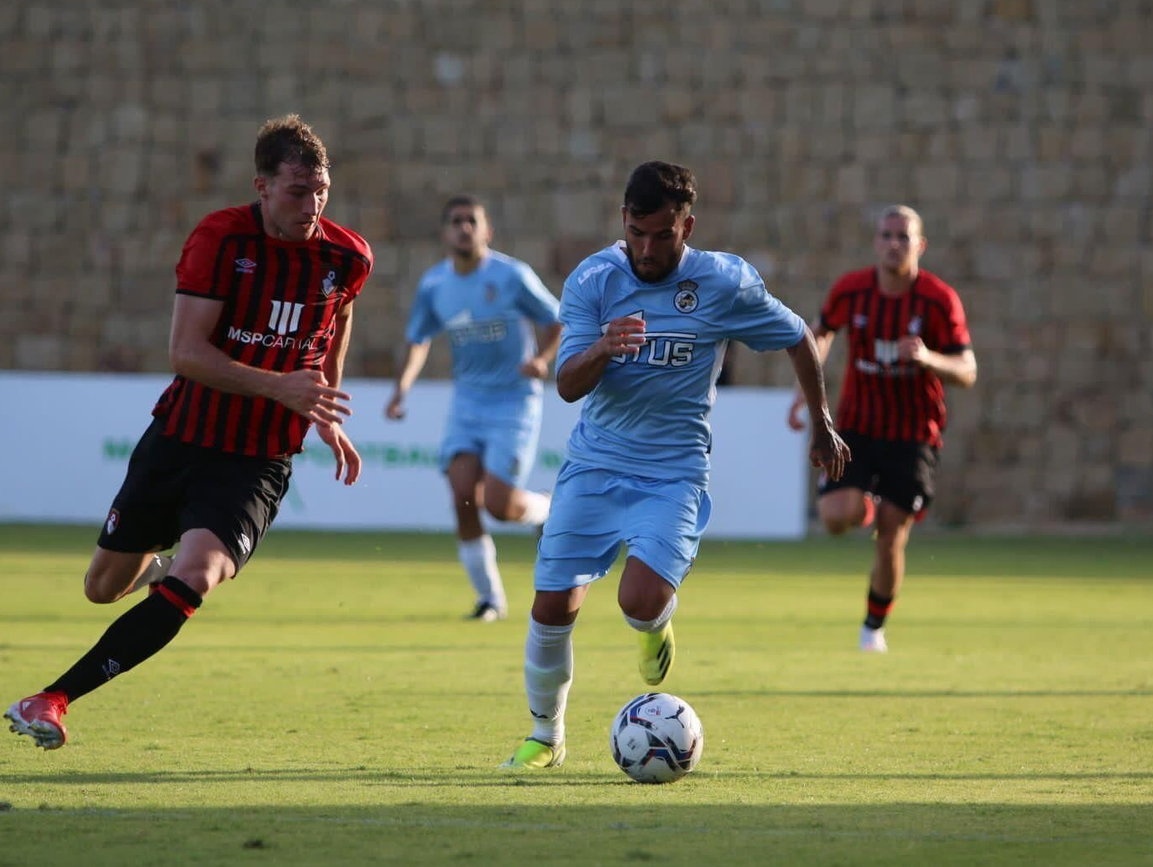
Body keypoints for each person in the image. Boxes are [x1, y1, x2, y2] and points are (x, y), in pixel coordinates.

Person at [4, 114, 372, 750]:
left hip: (257, 459)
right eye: (297, 191)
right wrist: (281, 386)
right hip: (182, 438)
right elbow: (187, 353)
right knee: (102, 588)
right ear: (262, 186)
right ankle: (158, 570)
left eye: (322, 191)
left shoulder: (347, 256)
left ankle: (53, 698)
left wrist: (321, 408)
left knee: (199, 575)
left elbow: (334, 328)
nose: (312, 206)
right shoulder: (220, 240)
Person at [500, 161, 850, 770]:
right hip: (594, 465)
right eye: (637, 233)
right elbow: (567, 385)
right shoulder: (594, 279)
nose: (647, 249)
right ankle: (545, 737)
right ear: (623, 220)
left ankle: (655, 624)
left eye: (662, 235)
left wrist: (821, 422)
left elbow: (797, 336)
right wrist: (605, 347)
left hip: (673, 472)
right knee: (552, 606)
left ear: (687, 226)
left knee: (638, 600)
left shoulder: (722, 282)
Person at [788, 205, 977, 653]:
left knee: (893, 533)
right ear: (876, 243)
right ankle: (865, 507)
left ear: (920, 245)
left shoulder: (938, 299)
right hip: (857, 426)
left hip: (914, 434)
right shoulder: (851, 290)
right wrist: (802, 394)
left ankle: (873, 627)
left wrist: (928, 358)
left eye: (903, 237)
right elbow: (821, 333)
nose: (894, 244)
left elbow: (967, 370)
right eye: (887, 236)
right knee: (836, 517)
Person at [385, 195, 563, 621]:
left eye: (471, 221)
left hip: (514, 401)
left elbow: (556, 318)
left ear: (487, 231)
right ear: (444, 232)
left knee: (499, 505)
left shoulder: (512, 275)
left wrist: (542, 359)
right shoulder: (434, 285)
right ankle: (490, 600)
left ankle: (547, 508)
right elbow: (418, 339)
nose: (464, 228)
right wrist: (402, 389)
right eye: (456, 221)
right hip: (467, 401)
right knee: (463, 494)